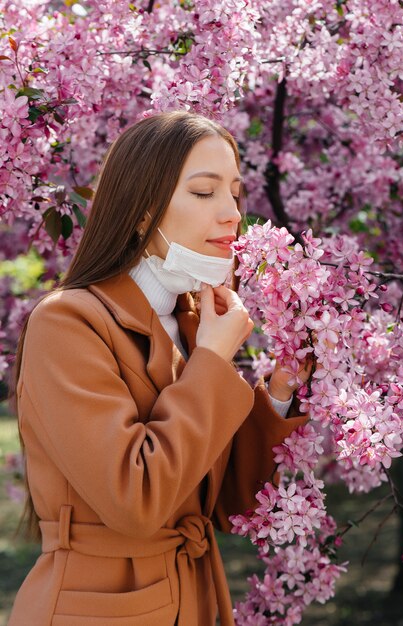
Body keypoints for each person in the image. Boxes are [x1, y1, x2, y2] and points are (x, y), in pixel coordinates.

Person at [9, 111, 310, 626]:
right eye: (203, 192)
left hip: (192, 599)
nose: (232, 214)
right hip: (99, 607)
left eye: (234, 193)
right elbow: (137, 499)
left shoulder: (190, 323)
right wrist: (213, 362)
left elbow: (228, 501)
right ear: (144, 209)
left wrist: (281, 386)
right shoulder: (65, 322)